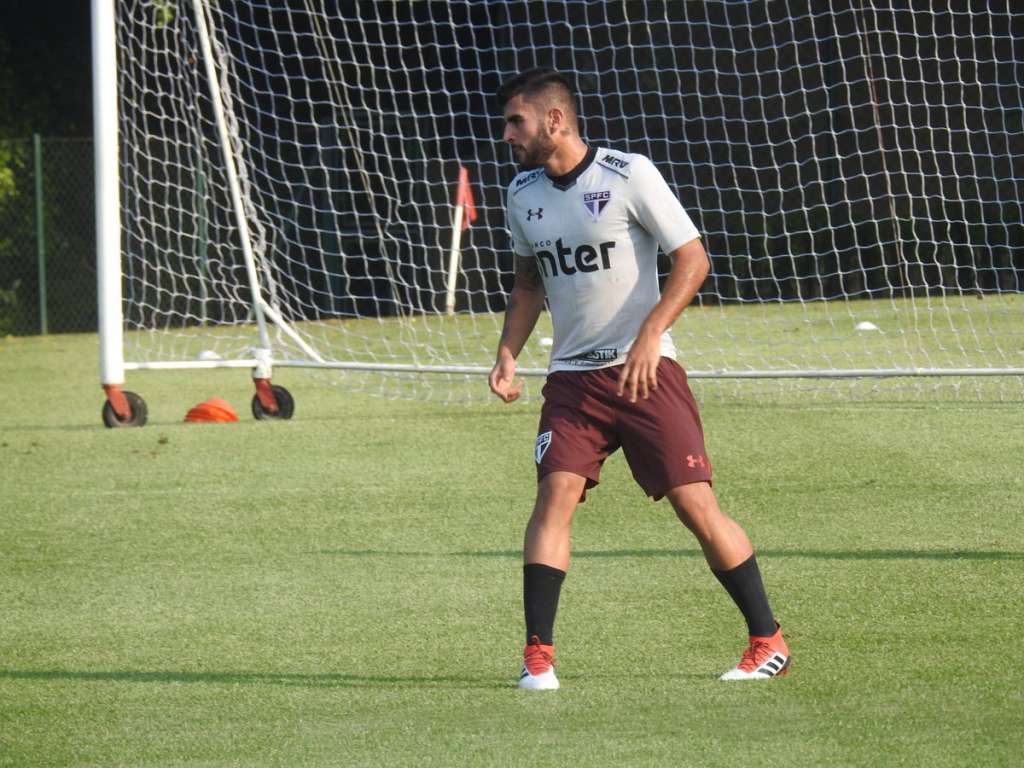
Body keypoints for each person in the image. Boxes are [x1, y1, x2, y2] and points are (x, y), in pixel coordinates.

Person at [488, 68, 790, 690]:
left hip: (646, 374)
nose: (507, 135)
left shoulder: (629, 174)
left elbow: (693, 258)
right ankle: (537, 657)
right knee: (554, 497)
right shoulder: (522, 193)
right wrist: (508, 354)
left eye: (516, 122)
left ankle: (767, 640)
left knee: (694, 504)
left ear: (554, 120)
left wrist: (652, 334)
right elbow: (528, 283)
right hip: (572, 381)